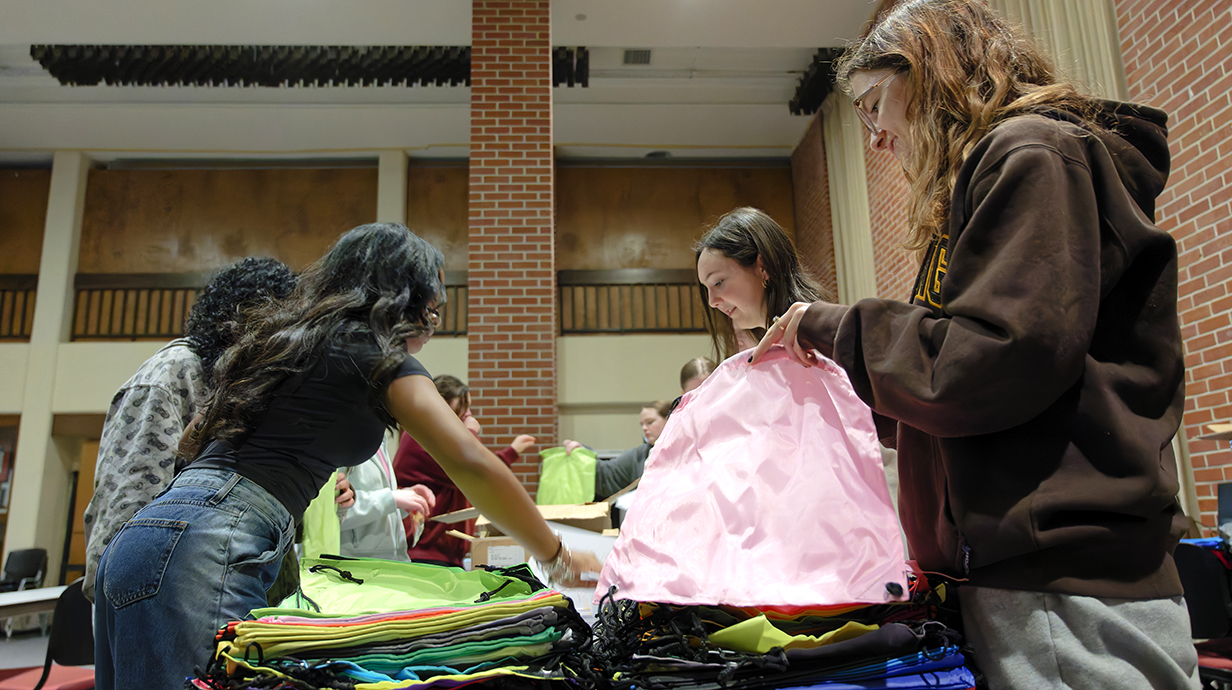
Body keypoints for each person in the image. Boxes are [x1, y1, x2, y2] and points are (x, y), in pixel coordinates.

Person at [752, 2, 1196, 687]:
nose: (875, 137)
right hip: (1016, 575)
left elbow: (991, 363)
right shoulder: (995, 173)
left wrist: (836, 328)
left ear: (932, 75)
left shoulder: (1033, 154)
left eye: (875, 105)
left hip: (1062, 581)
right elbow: (961, 391)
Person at [93, 223, 601, 690]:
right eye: (434, 304)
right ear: (405, 296)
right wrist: (555, 556)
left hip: (147, 537)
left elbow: (198, 445)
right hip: (210, 543)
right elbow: (470, 462)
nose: (434, 322)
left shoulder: (284, 341)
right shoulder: (372, 351)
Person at [81, 256, 295, 604]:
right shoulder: (170, 375)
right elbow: (126, 512)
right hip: (151, 598)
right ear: (240, 321)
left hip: (209, 590)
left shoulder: (238, 383)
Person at [394, 374, 536, 567]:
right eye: (462, 409)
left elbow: (478, 466)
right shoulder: (421, 436)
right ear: (440, 405)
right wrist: (470, 433)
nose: (468, 415)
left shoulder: (437, 437)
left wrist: (509, 453)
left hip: (442, 552)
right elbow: (470, 469)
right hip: (425, 552)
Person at [695, 207, 827, 360]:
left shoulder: (817, 336)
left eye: (718, 283)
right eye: (707, 289)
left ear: (763, 266)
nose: (712, 302)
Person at [337, 447, 435, 561]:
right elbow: (332, 511)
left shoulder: (380, 441)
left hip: (389, 562)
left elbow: (379, 498)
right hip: (356, 565)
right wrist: (390, 499)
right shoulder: (342, 441)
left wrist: (402, 500)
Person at [592, 400, 671, 501]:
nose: (644, 428)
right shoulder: (640, 454)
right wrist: (582, 453)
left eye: (650, 422)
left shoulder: (686, 452)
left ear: (668, 420)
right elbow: (607, 472)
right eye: (642, 424)